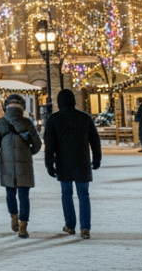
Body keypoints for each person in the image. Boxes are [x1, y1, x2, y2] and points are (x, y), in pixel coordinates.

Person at [44, 89, 101, 239]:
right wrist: (97, 158)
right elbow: (94, 140)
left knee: (66, 193)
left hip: (64, 162)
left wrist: (49, 164)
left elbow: (49, 145)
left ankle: (70, 225)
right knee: (83, 194)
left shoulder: (54, 119)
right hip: (82, 160)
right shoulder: (84, 118)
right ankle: (85, 227)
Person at [0, 93, 42, 238]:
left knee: (10, 194)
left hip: (7, 167)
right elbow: (37, 144)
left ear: (6, 107)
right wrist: (29, 152)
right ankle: (23, 228)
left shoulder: (1, 123)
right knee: (24, 196)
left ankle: (14, 218)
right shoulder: (27, 122)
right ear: (22, 107)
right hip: (25, 166)